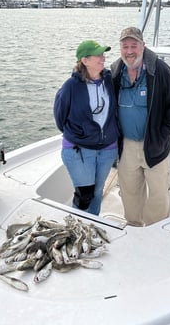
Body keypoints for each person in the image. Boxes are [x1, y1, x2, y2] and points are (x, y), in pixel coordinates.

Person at [111, 27, 170, 226]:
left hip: (155, 144)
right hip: (126, 146)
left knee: (159, 195)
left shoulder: (160, 70)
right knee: (130, 193)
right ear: (120, 49)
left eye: (134, 45)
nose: (129, 51)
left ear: (143, 46)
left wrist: (160, 136)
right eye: (125, 46)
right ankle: (134, 227)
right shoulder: (116, 71)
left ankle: (156, 231)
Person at [54, 40, 119, 215]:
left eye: (103, 54)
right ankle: (76, 230)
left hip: (107, 149)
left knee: (97, 192)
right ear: (85, 60)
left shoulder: (109, 81)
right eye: (98, 55)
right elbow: (60, 117)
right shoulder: (71, 86)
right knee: (84, 196)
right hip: (79, 149)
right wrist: (80, 134)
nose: (103, 58)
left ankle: (92, 228)